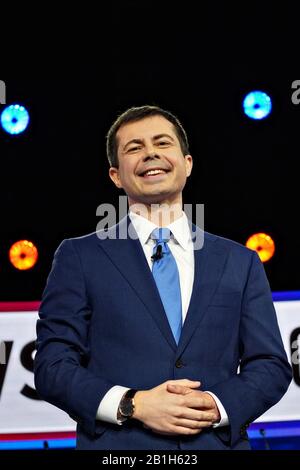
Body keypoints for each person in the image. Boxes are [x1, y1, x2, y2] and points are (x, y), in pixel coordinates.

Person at [34, 105, 292, 450]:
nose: (150, 153)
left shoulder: (240, 261)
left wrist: (214, 406)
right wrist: (133, 404)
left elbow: (271, 363)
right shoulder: (79, 257)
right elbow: (52, 366)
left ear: (187, 163)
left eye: (162, 143)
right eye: (134, 147)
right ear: (116, 175)